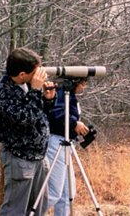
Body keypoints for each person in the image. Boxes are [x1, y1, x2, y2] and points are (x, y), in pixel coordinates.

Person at [0, 47, 56, 216]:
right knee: (16, 210)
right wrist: (35, 91)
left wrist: (48, 100)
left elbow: (38, 116)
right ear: (21, 74)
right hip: (19, 157)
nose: (38, 76)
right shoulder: (3, 92)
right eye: (34, 72)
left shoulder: (26, 86)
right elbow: (25, 119)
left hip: (38, 157)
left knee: (38, 208)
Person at [46, 76, 90, 215]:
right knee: (54, 192)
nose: (83, 87)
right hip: (56, 143)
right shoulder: (60, 92)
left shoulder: (70, 95)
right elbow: (55, 113)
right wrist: (74, 123)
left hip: (66, 143)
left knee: (67, 194)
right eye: (83, 83)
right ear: (76, 81)